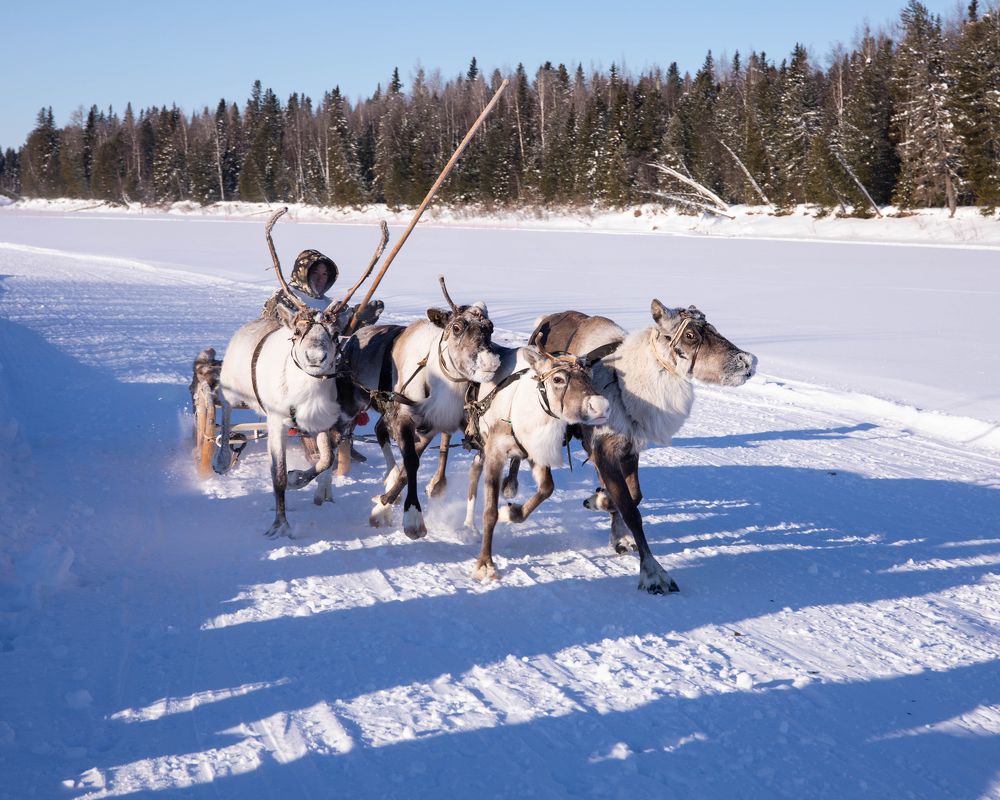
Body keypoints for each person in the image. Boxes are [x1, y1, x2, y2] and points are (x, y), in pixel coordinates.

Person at [261, 249, 339, 319]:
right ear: (302, 274)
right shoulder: (284, 297)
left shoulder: (332, 305)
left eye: (324, 274)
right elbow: (267, 329)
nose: (320, 279)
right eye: (315, 273)